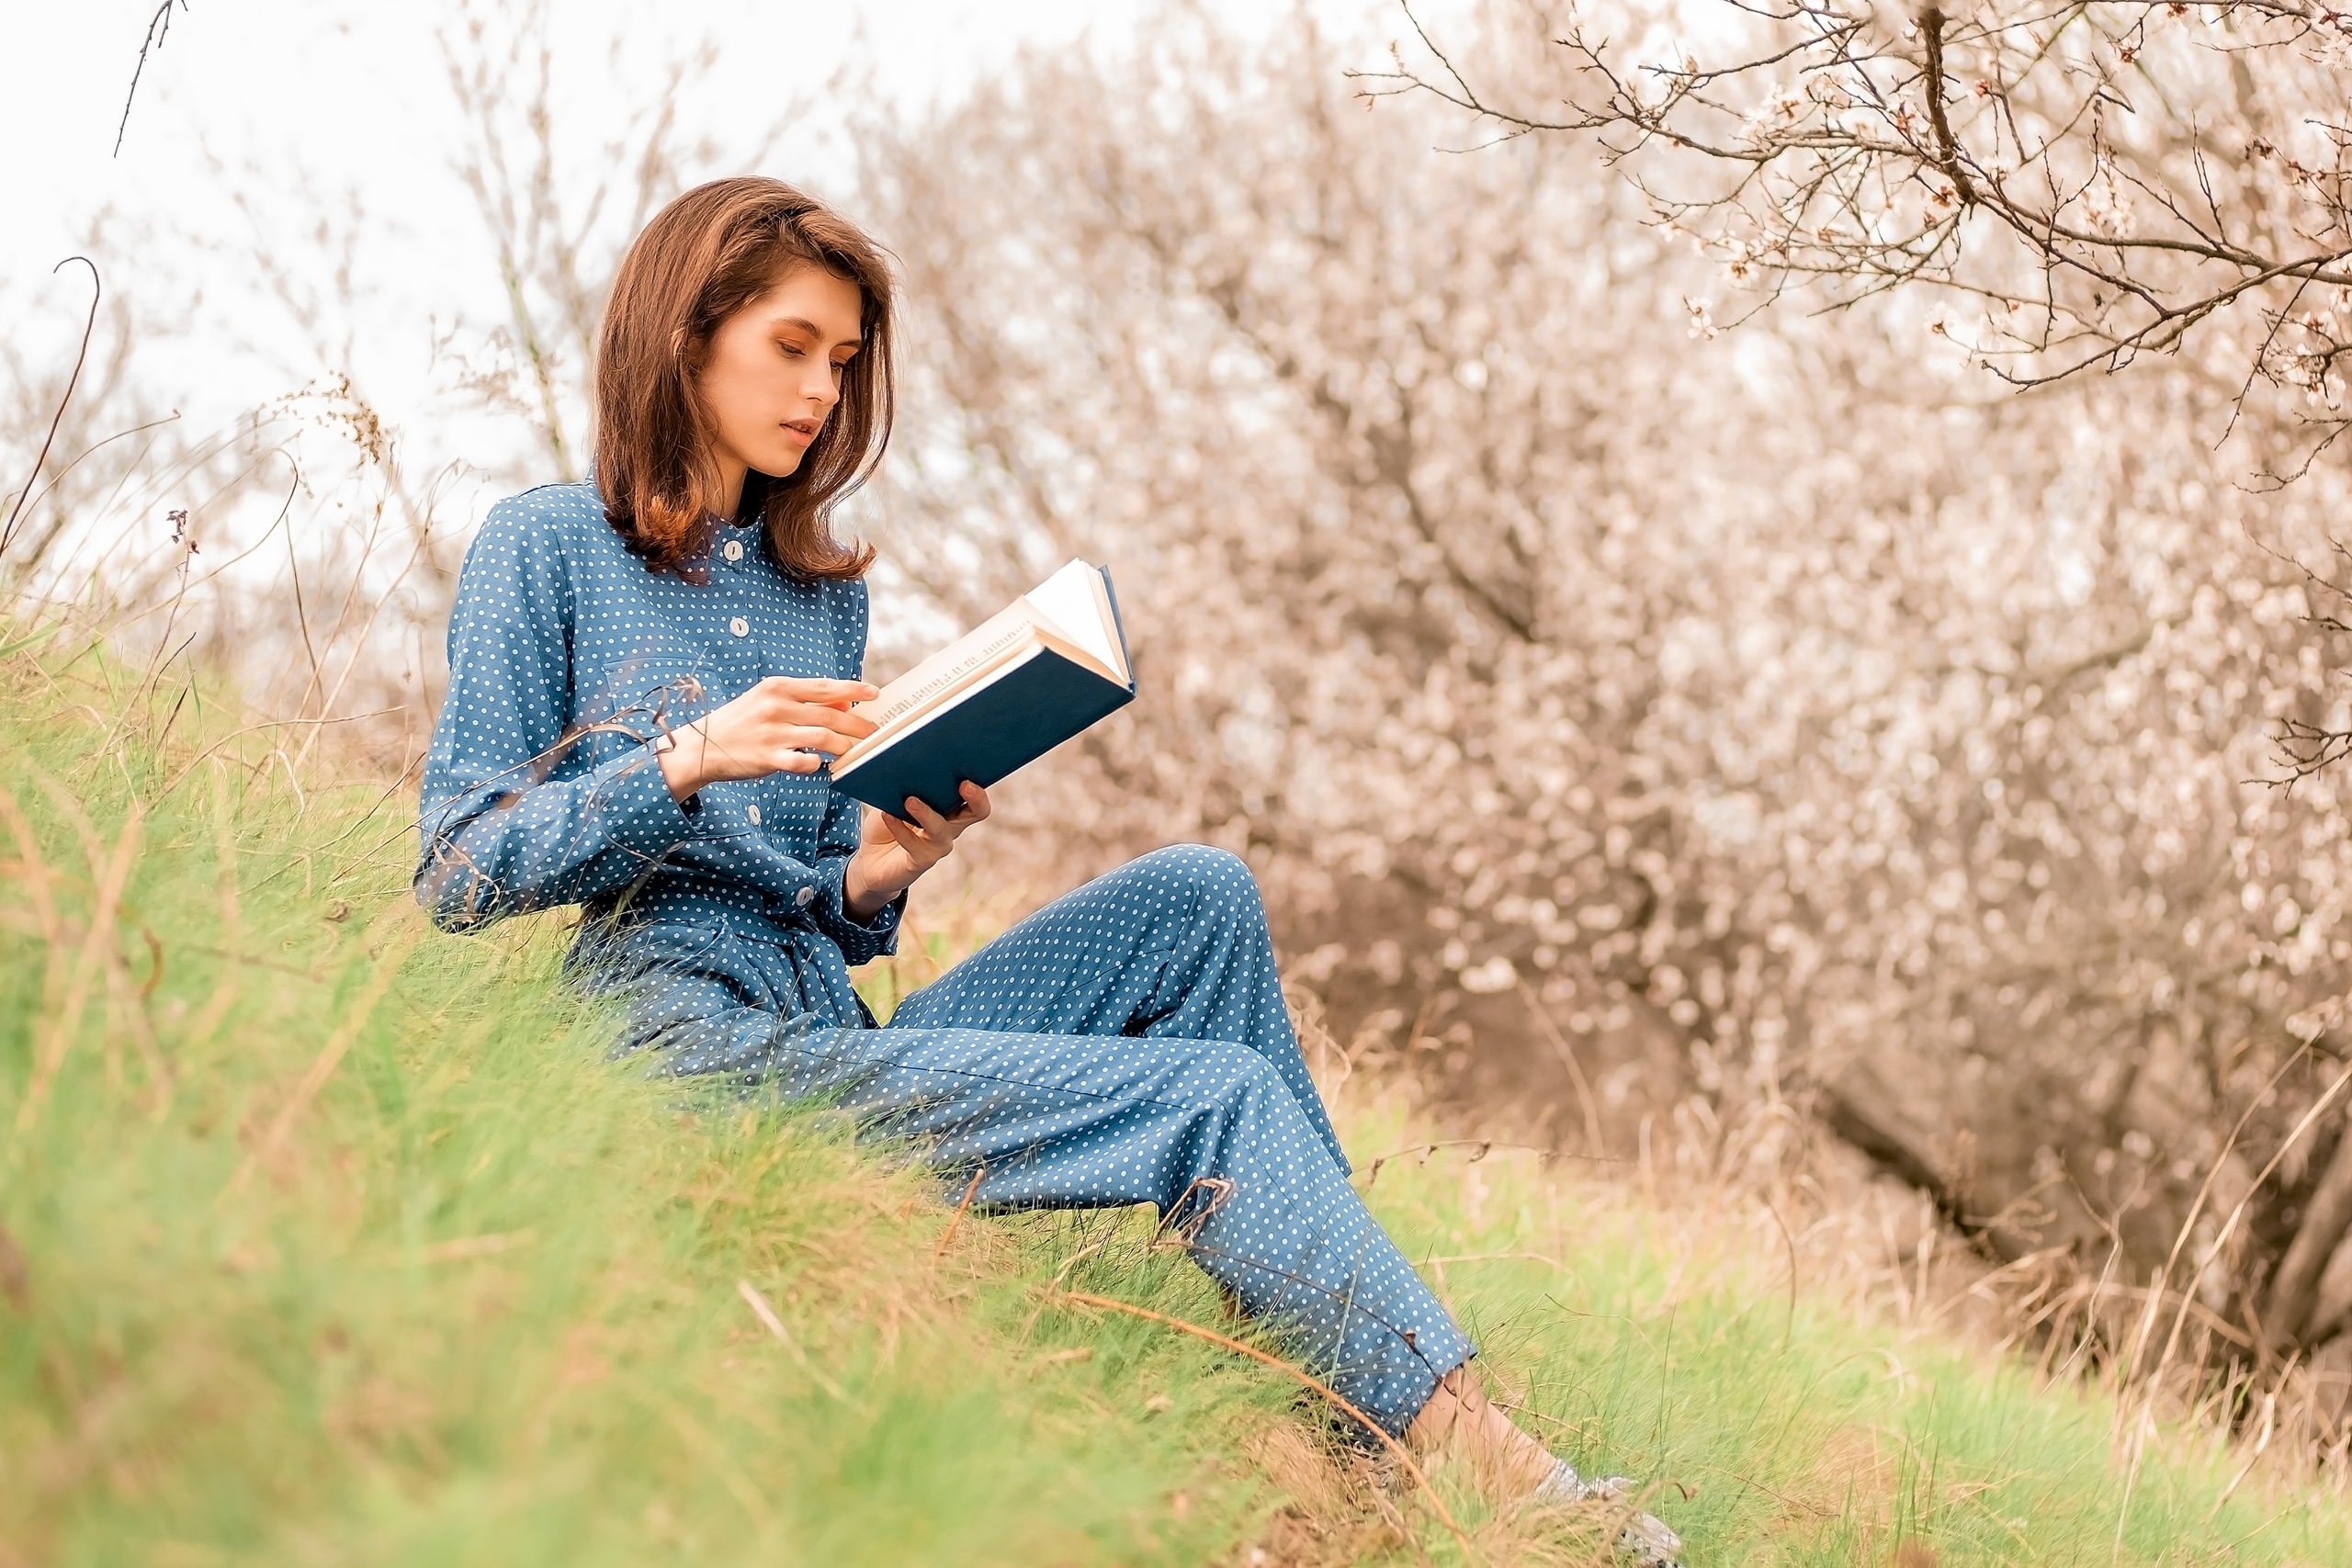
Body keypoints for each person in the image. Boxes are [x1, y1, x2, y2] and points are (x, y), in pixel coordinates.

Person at [414, 176, 1678, 1563]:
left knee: (1198, 891)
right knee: (1213, 1099)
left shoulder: (821, 598)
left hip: (821, 1038)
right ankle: (1500, 1481)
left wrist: (879, 874)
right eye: (789, 347)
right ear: (684, 334)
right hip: (676, 1054)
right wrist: (683, 762)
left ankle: (1365, 1412)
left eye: (842, 362)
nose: (821, 392)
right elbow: (461, 869)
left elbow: (815, 907)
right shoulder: (550, 547)